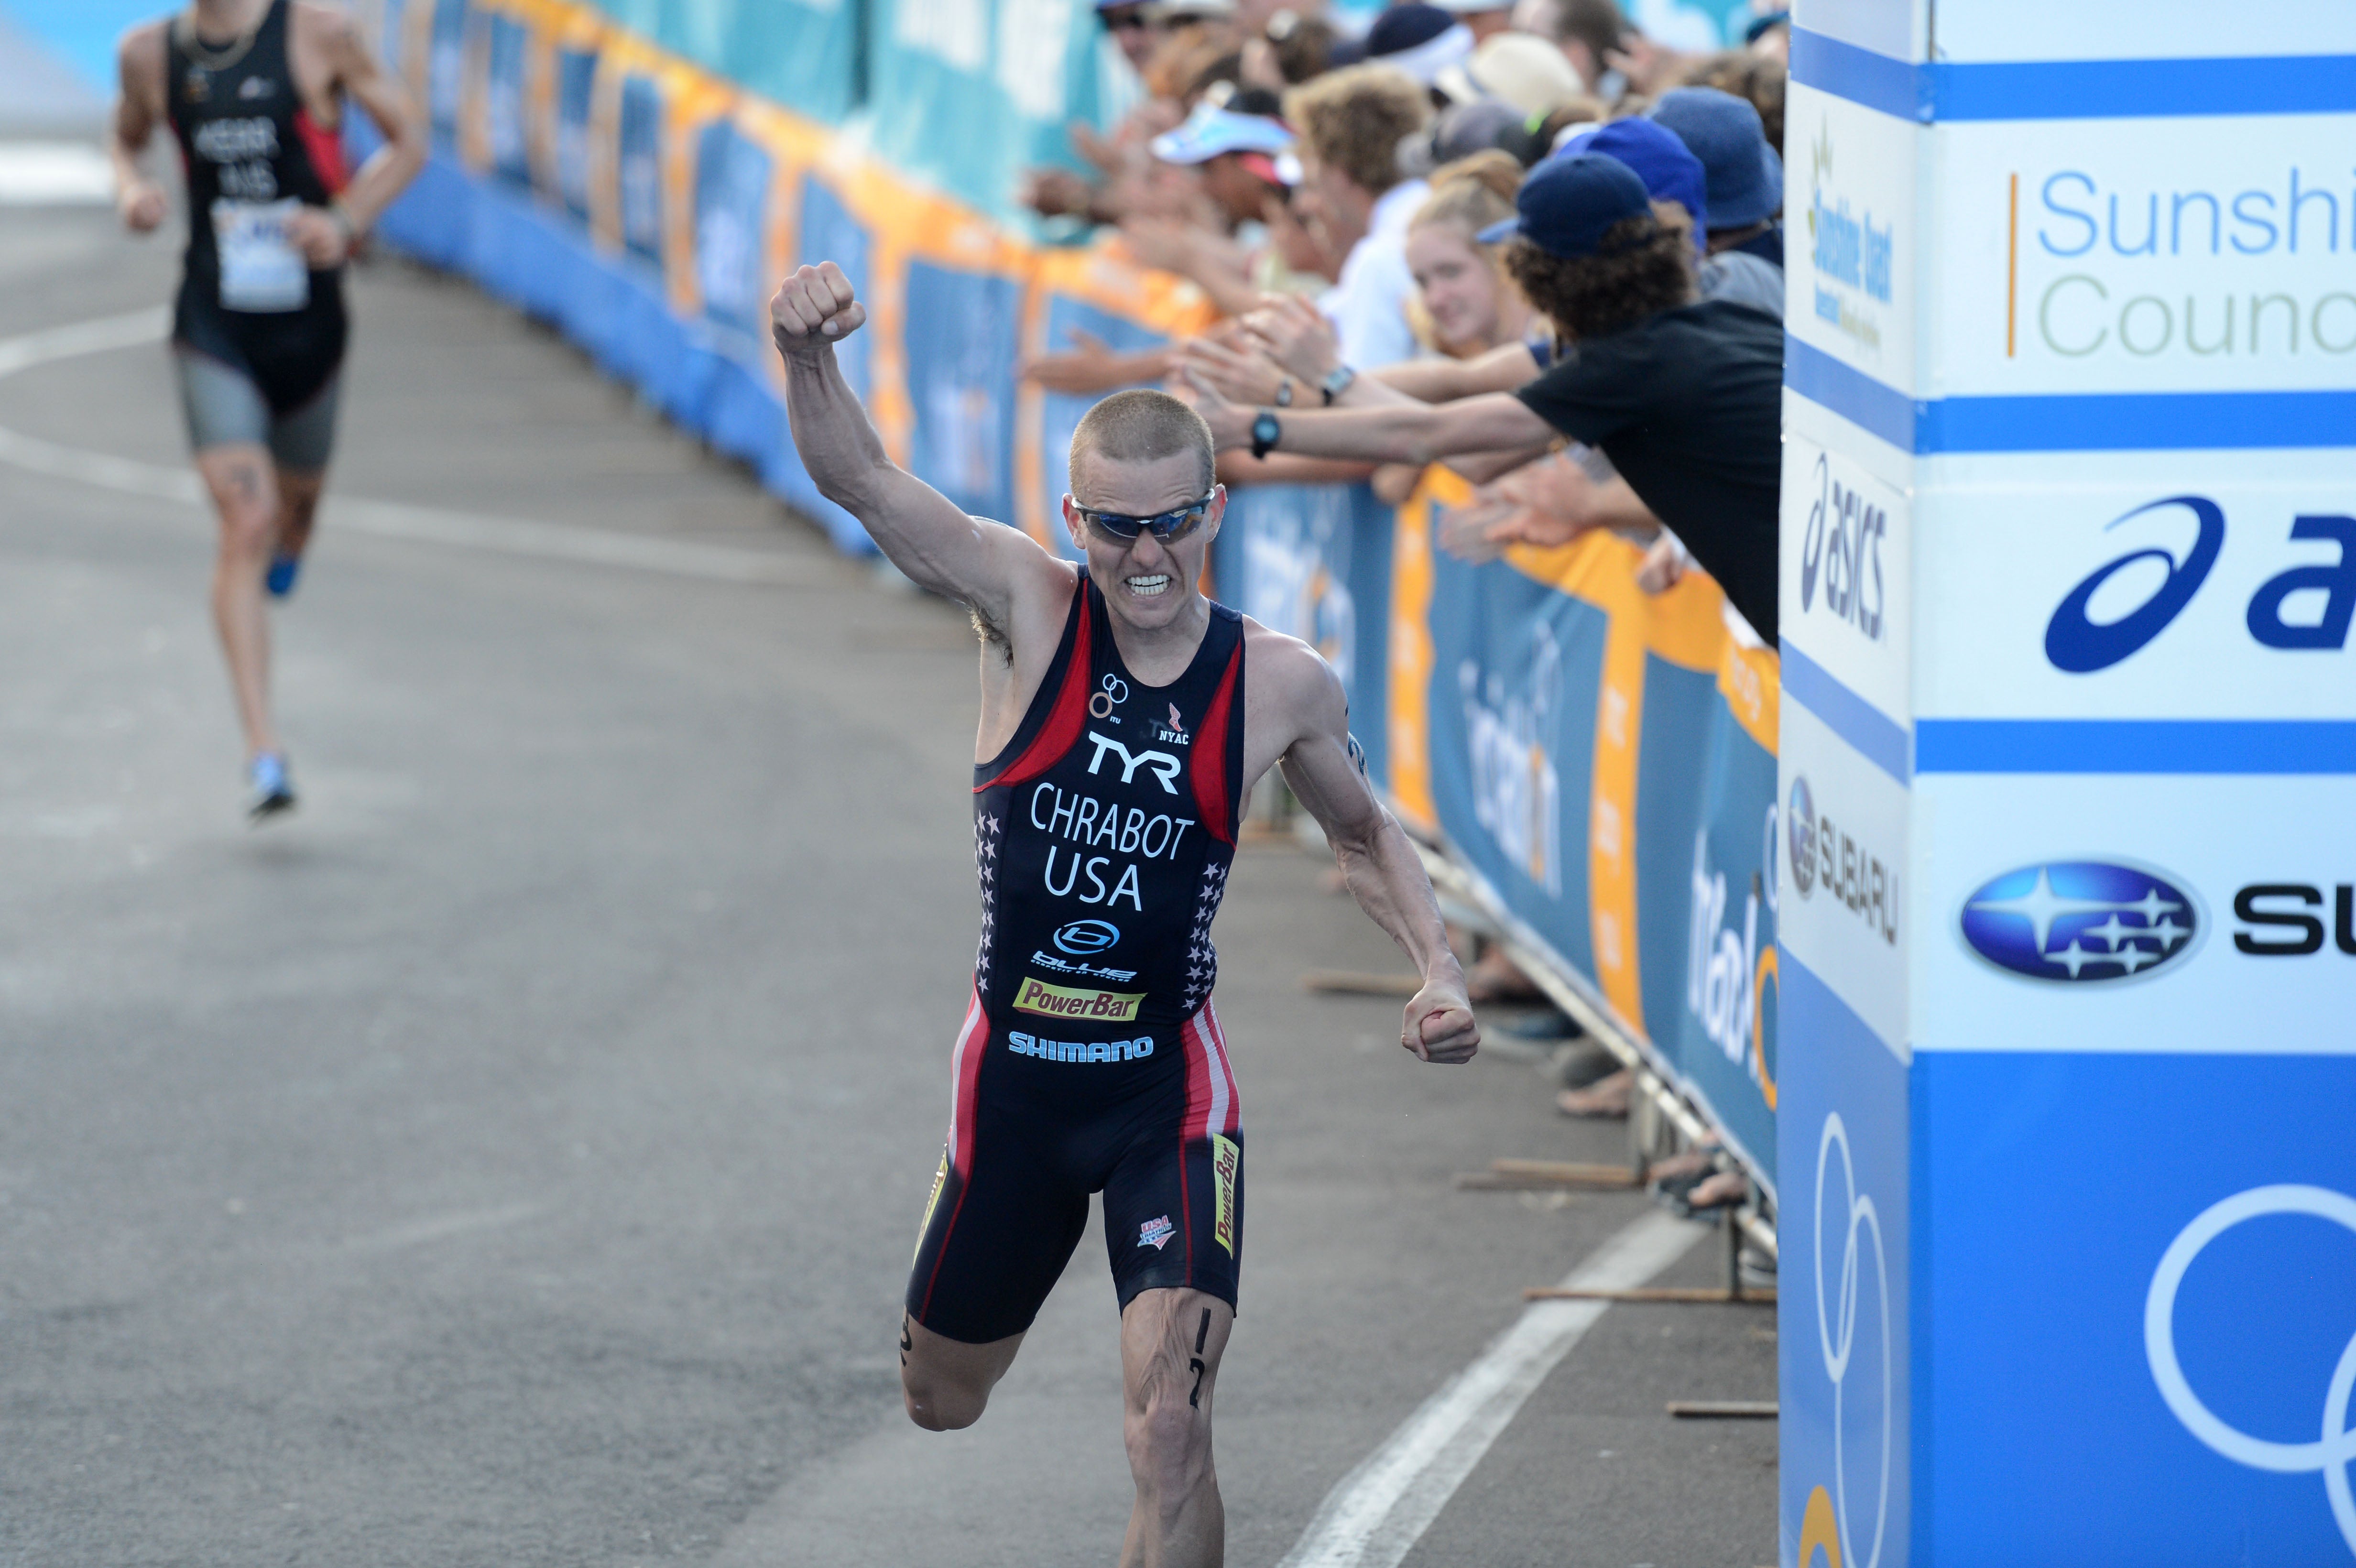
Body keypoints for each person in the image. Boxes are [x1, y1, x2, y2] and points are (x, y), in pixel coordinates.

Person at [768, 261, 1480, 1568]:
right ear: (1070, 516)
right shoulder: (1024, 611)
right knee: (942, 1400)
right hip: (1018, 1092)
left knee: (1169, 1431)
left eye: (1172, 525)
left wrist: (1436, 966)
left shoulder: (1279, 682)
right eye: (1113, 528)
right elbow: (864, 482)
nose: (1144, 557)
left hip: (1169, 1096)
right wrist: (807, 360)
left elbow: (1366, 832)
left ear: (1214, 511)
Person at [1184, 152, 1784, 644]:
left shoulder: (1632, 362)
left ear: (1542, 271)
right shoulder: (1685, 326)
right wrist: (1298, 394)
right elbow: (1455, 416)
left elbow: (1431, 438)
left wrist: (1256, 424)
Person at [108, 0, 423, 818]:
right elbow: (126, 138)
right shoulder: (148, 54)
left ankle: (295, 538)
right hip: (214, 323)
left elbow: (409, 140)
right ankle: (264, 752)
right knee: (243, 522)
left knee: (293, 513)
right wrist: (132, 188)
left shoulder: (321, 36)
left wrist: (346, 219)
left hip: (309, 330)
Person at [1281, 64, 1433, 372]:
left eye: (1313, 162)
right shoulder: (1443, 210)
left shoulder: (1379, 258)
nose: (1308, 197)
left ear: (1337, 170)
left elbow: (1361, 401)